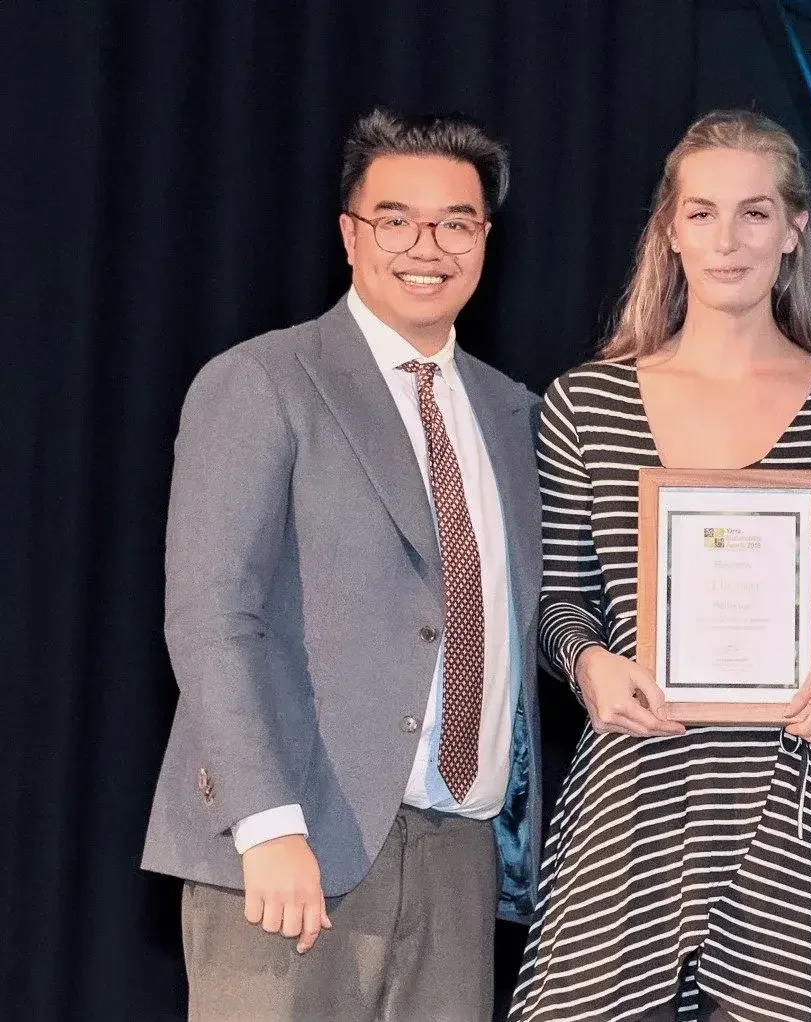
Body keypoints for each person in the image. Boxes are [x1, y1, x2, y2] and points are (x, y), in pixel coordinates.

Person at [508, 110, 811, 1022]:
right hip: (633, 784)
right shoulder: (587, 402)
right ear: (670, 230)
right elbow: (560, 604)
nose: (727, 240)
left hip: (790, 789)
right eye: (702, 214)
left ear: (795, 229)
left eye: (755, 213)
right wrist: (590, 665)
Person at [142, 108, 544, 1020]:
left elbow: (536, 614)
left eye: (456, 222)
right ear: (350, 235)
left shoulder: (514, 415)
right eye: (395, 219)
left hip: (460, 853)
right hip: (294, 845)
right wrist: (266, 821)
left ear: (486, 239)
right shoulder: (264, 380)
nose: (426, 246)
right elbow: (211, 617)